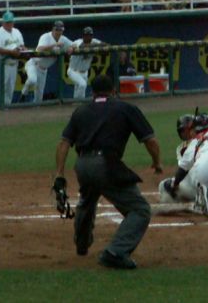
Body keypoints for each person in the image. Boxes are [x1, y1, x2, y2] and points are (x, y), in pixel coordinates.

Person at [55, 74, 162, 269]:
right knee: (140, 210)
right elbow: (150, 140)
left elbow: (64, 143)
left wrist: (59, 174)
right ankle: (116, 251)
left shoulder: (81, 110)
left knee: (87, 201)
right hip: (106, 164)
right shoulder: (126, 108)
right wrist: (157, 162)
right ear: (114, 90)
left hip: (82, 164)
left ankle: (81, 245)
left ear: (93, 92)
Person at [20, 21, 74, 103]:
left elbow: (75, 44)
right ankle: (24, 93)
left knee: (39, 97)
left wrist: (72, 47)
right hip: (34, 64)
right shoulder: (45, 36)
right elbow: (39, 49)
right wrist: (54, 45)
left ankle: (34, 113)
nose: (58, 32)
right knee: (32, 79)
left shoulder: (63, 39)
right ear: (53, 29)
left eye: (60, 30)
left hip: (43, 69)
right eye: (57, 30)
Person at [0, 12, 26, 110]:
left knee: (10, 90)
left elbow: (22, 45)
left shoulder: (17, 32)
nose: (9, 24)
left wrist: (23, 49)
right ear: (3, 23)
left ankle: (6, 111)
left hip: (13, 65)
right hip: (1, 64)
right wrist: (10, 52)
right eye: (7, 22)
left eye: (10, 22)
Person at [68, 27, 103, 99]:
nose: (88, 37)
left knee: (79, 89)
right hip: (73, 71)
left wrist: (96, 45)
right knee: (82, 85)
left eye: (90, 35)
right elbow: (75, 46)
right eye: (86, 35)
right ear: (83, 36)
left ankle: (75, 104)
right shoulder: (78, 42)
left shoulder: (94, 41)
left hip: (85, 72)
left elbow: (106, 45)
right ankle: (78, 103)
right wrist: (72, 47)